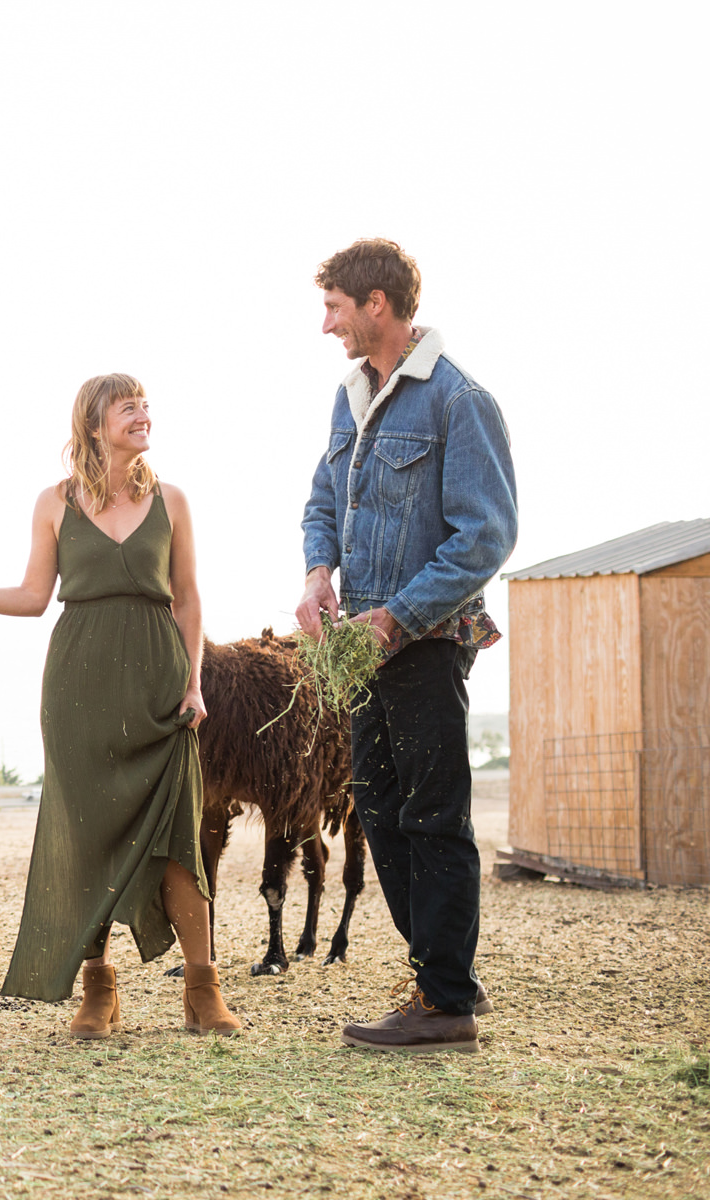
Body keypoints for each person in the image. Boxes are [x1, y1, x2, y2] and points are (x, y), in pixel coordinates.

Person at [0, 374, 240, 1038]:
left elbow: (188, 598)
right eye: (128, 407)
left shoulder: (173, 500)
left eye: (146, 405)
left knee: (179, 842)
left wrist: (194, 684)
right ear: (94, 426)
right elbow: (32, 597)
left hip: (159, 688)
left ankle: (202, 990)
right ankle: (99, 992)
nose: (143, 414)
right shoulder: (54, 503)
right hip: (78, 692)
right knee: (86, 843)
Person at [298, 239, 517, 1054]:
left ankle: (445, 1003)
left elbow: (485, 536)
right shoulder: (351, 395)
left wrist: (395, 617)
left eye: (335, 309)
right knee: (382, 812)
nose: (327, 325)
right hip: (359, 646)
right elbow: (324, 499)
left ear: (377, 305)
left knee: (432, 814)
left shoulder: (459, 401)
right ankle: (445, 971)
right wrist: (318, 573)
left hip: (424, 640)